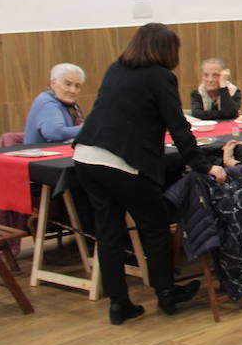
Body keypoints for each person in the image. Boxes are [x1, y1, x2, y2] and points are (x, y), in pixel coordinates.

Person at [73, 23, 227, 325]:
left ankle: (118, 303)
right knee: (155, 224)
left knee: (109, 232)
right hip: (122, 161)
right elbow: (178, 127)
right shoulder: (160, 77)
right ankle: (167, 293)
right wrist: (204, 165)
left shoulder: (115, 68)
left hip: (86, 156)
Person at [24, 63, 87, 144]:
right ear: (53, 83)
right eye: (68, 84)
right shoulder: (47, 102)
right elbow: (54, 132)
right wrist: (88, 129)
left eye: (77, 86)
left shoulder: (69, 105)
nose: (73, 90)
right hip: (44, 154)